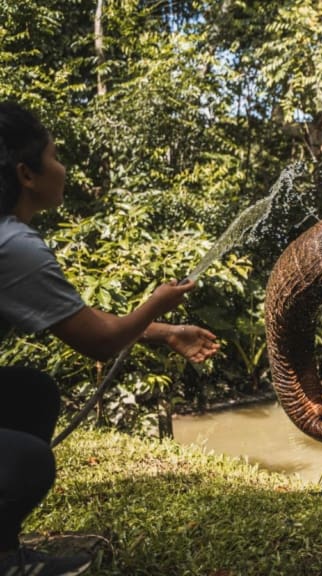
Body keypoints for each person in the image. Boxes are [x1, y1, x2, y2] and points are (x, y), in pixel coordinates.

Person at [0, 101, 220, 575]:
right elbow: (100, 342)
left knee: (28, 393)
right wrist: (157, 304)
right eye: (55, 156)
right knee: (27, 461)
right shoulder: (14, 245)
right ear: (27, 174)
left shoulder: (10, 238)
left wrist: (163, 332)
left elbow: (79, 319)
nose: (63, 167)